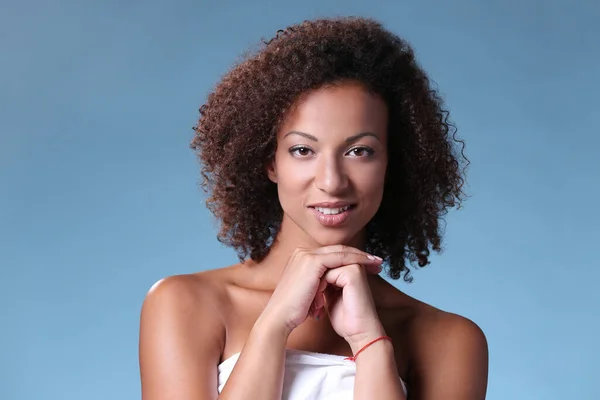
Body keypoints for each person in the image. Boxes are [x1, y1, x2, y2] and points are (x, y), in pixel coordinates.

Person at [139, 16, 489, 400]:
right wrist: (273, 326)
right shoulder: (185, 304)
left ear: (392, 163)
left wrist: (371, 343)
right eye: (303, 150)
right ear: (270, 163)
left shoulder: (448, 339)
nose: (332, 181)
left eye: (360, 151)